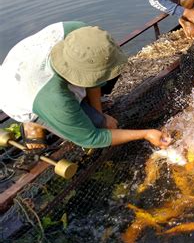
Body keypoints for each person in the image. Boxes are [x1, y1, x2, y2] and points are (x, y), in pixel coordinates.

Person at [0, 21, 171, 151]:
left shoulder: (77, 31)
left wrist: (100, 113)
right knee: (96, 124)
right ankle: (33, 123)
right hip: (21, 93)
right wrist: (146, 133)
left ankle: (91, 110)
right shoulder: (54, 101)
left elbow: (95, 72)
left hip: (36, 65)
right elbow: (92, 139)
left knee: (109, 71)